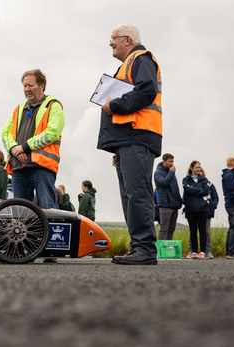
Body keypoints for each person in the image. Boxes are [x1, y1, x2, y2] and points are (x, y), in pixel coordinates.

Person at [98, 24, 162, 266]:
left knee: (137, 193)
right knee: (130, 195)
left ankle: (145, 248)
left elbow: (147, 91)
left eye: (113, 38)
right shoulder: (129, 63)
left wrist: (114, 105)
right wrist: (117, 147)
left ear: (127, 39)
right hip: (128, 139)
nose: (111, 43)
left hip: (138, 136)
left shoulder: (141, 58)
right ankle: (139, 247)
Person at [1, 69, 65, 208]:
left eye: (30, 85)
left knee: (47, 209)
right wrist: (14, 149)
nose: (27, 89)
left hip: (42, 167)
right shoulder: (19, 109)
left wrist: (23, 147)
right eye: (25, 86)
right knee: (20, 213)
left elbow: (52, 133)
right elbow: (6, 133)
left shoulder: (53, 106)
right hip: (19, 166)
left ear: (42, 86)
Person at [182, 161, 211, 259]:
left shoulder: (204, 179)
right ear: (191, 168)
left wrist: (193, 190)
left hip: (202, 209)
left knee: (203, 231)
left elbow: (207, 191)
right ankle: (194, 251)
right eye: (197, 167)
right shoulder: (186, 180)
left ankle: (202, 251)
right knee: (193, 231)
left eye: (200, 167)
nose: (199, 169)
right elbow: (187, 190)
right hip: (190, 209)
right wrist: (199, 190)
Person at [187, 168, 218, 259]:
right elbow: (186, 196)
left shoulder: (209, 184)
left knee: (206, 231)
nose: (198, 174)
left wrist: (212, 205)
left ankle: (207, 252)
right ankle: (191, 251)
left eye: (200, 172)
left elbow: (215, 196)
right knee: (193, 231)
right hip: (193, 210)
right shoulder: (189, 184)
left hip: (206, 211)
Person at [154, 153, 182, 240]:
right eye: (169, 161)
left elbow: (175, 188)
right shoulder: (158, 173)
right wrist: (171, 172)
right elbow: (164, 183)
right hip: (164, 205)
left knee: (171, 230)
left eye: (172, 161)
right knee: (164, 229)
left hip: (174, 205)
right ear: (164, 161)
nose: (171, 163)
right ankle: (161, 251)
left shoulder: (171, 172)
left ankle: (168, 251)